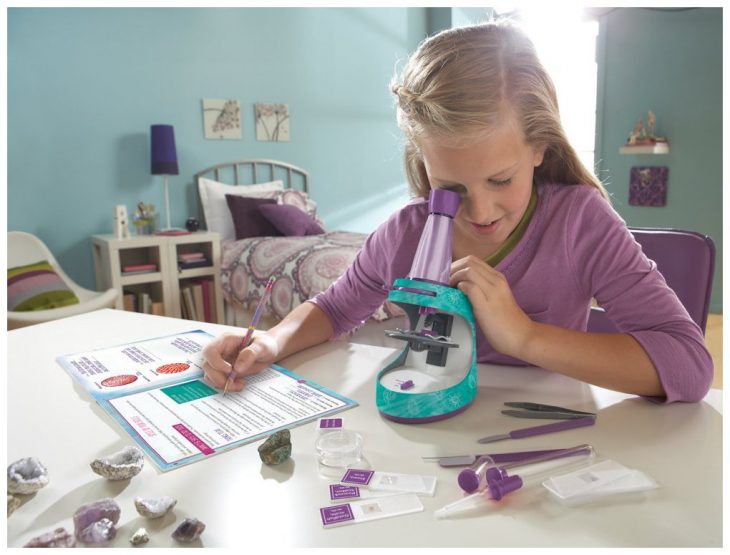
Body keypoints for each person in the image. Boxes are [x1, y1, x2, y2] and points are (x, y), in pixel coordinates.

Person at [203, 20, 713, 403]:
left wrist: (525, 335)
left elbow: (689, 367)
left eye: (500, 179)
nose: (480, 210)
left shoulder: (581, 222)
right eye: (448, 186)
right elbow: (336, 308)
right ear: (421, 161)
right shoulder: (406, 231)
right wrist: (270, 341)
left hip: (546, 425)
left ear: (539, 147)